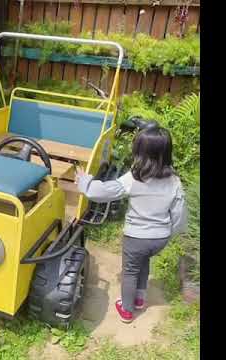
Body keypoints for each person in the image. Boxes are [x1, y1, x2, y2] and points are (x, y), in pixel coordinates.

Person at [75, 126, 188, 323]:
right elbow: (179, 214)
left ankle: (126, 310)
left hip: (136, 238)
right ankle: (139, 300)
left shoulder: (134, 177)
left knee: (130, 272)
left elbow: (103, 193)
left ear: (140, 153)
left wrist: (85, 182)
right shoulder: (174, 181)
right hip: (159, 239)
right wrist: (170, 233)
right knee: (144, 262)